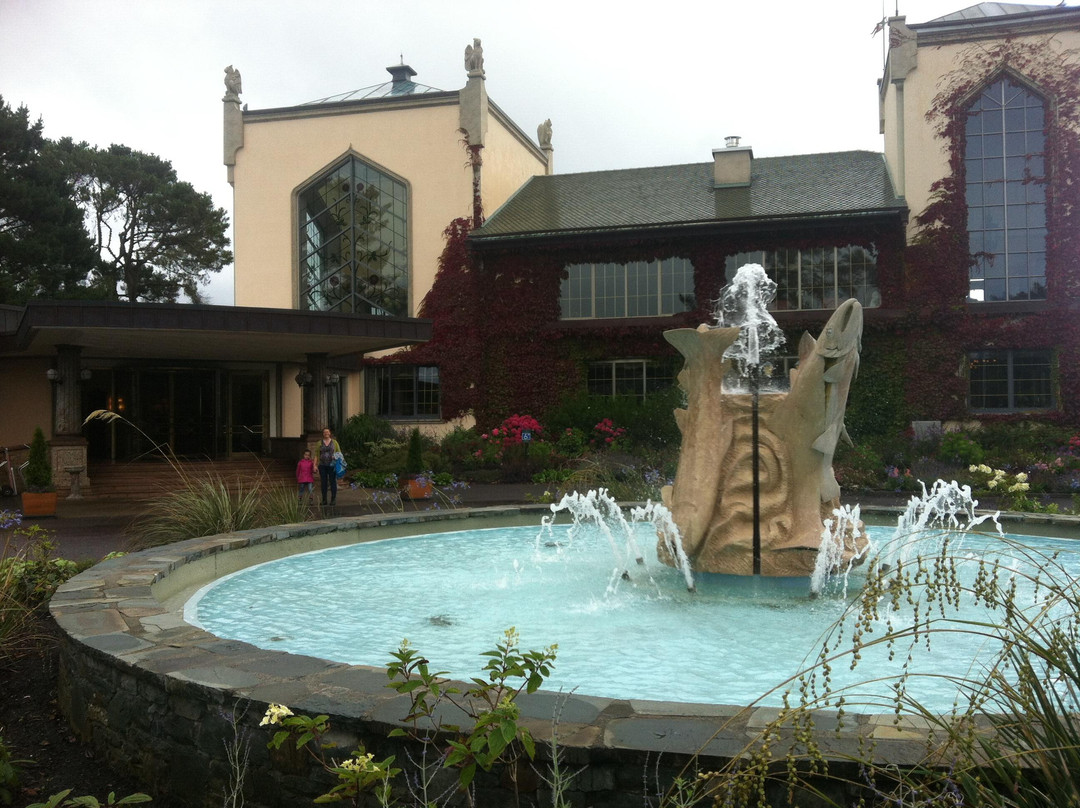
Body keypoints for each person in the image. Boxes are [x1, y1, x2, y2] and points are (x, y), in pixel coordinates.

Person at [316, 427, 341, 506]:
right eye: (324, 432)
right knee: (323, 483)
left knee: (332, 482)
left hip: (332, 465)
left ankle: (333, 499)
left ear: (330, 433)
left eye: (327, 432)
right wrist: (314, 465)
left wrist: (335, 457)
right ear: (323, 434)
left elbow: (339, 453)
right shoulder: (319, 443)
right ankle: (324, 499)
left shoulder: (335, 442)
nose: (326, 433)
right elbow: (316, 455)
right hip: (322, 465)